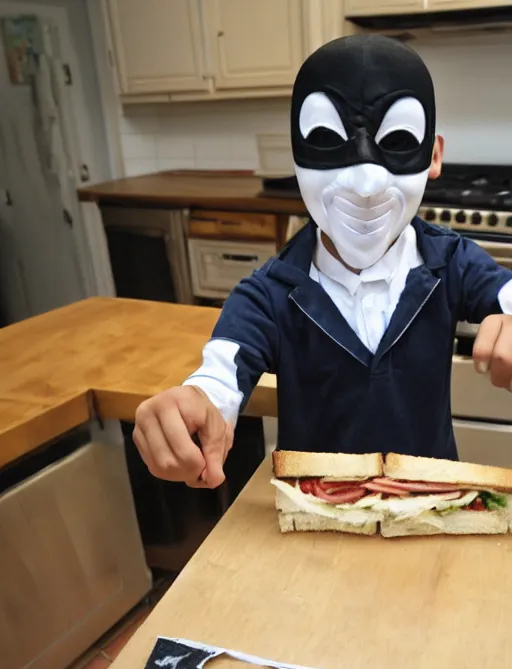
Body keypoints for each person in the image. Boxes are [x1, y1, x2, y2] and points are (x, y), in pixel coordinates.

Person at [134, 35, 512, 489]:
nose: (366, 184)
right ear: (295, 155)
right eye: (326, 140)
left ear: (433, 155)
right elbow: (221, 375)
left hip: (428, 505)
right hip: (314, 515)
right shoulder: (267, 295)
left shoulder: (450, 262)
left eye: (398, 141)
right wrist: (194, 405)